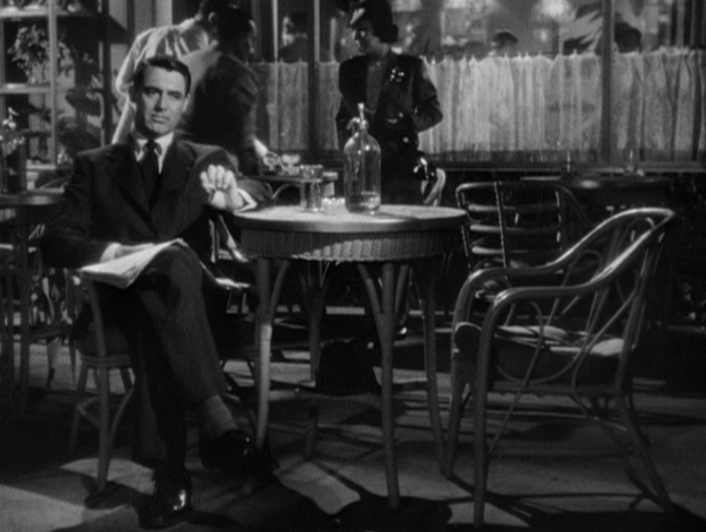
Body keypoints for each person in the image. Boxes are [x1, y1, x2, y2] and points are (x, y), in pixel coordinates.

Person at [40, 55, 271, 529]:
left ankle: (171, 476)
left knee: (168, 280)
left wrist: (230, 197)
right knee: (163, 273)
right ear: (134, 95)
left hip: (191, 311)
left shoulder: (205, 160)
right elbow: (56, 241)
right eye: (152, 92)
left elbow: (256, 194)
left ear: (184, 103)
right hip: (116, 307)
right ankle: (216, 422)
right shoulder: (95, 166)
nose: (161, 104)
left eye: (172, 95)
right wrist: (117, 253)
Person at [335, 0, 442, 203]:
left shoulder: (411, 67)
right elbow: (342, 116)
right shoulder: (350, 71)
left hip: (401, 169)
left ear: (381, 30)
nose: (356, 36)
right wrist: (348, 149)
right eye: (355, 30)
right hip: (362, 169)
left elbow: (434, 112)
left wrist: (407, 122)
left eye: (363, 30)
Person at [112, 0, 237, 143]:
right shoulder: (203, 53)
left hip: (129, 139)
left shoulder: (148, 36)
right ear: (213, 19)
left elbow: (121, 84)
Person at [179, 6, 276, 175]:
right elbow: (243, 141)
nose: (252, 49)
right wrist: (259, 178)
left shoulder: (185, 61)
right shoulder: (237, 74)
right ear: (241, 39)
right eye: (251, 40)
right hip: (214, 172)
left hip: (175, 164)